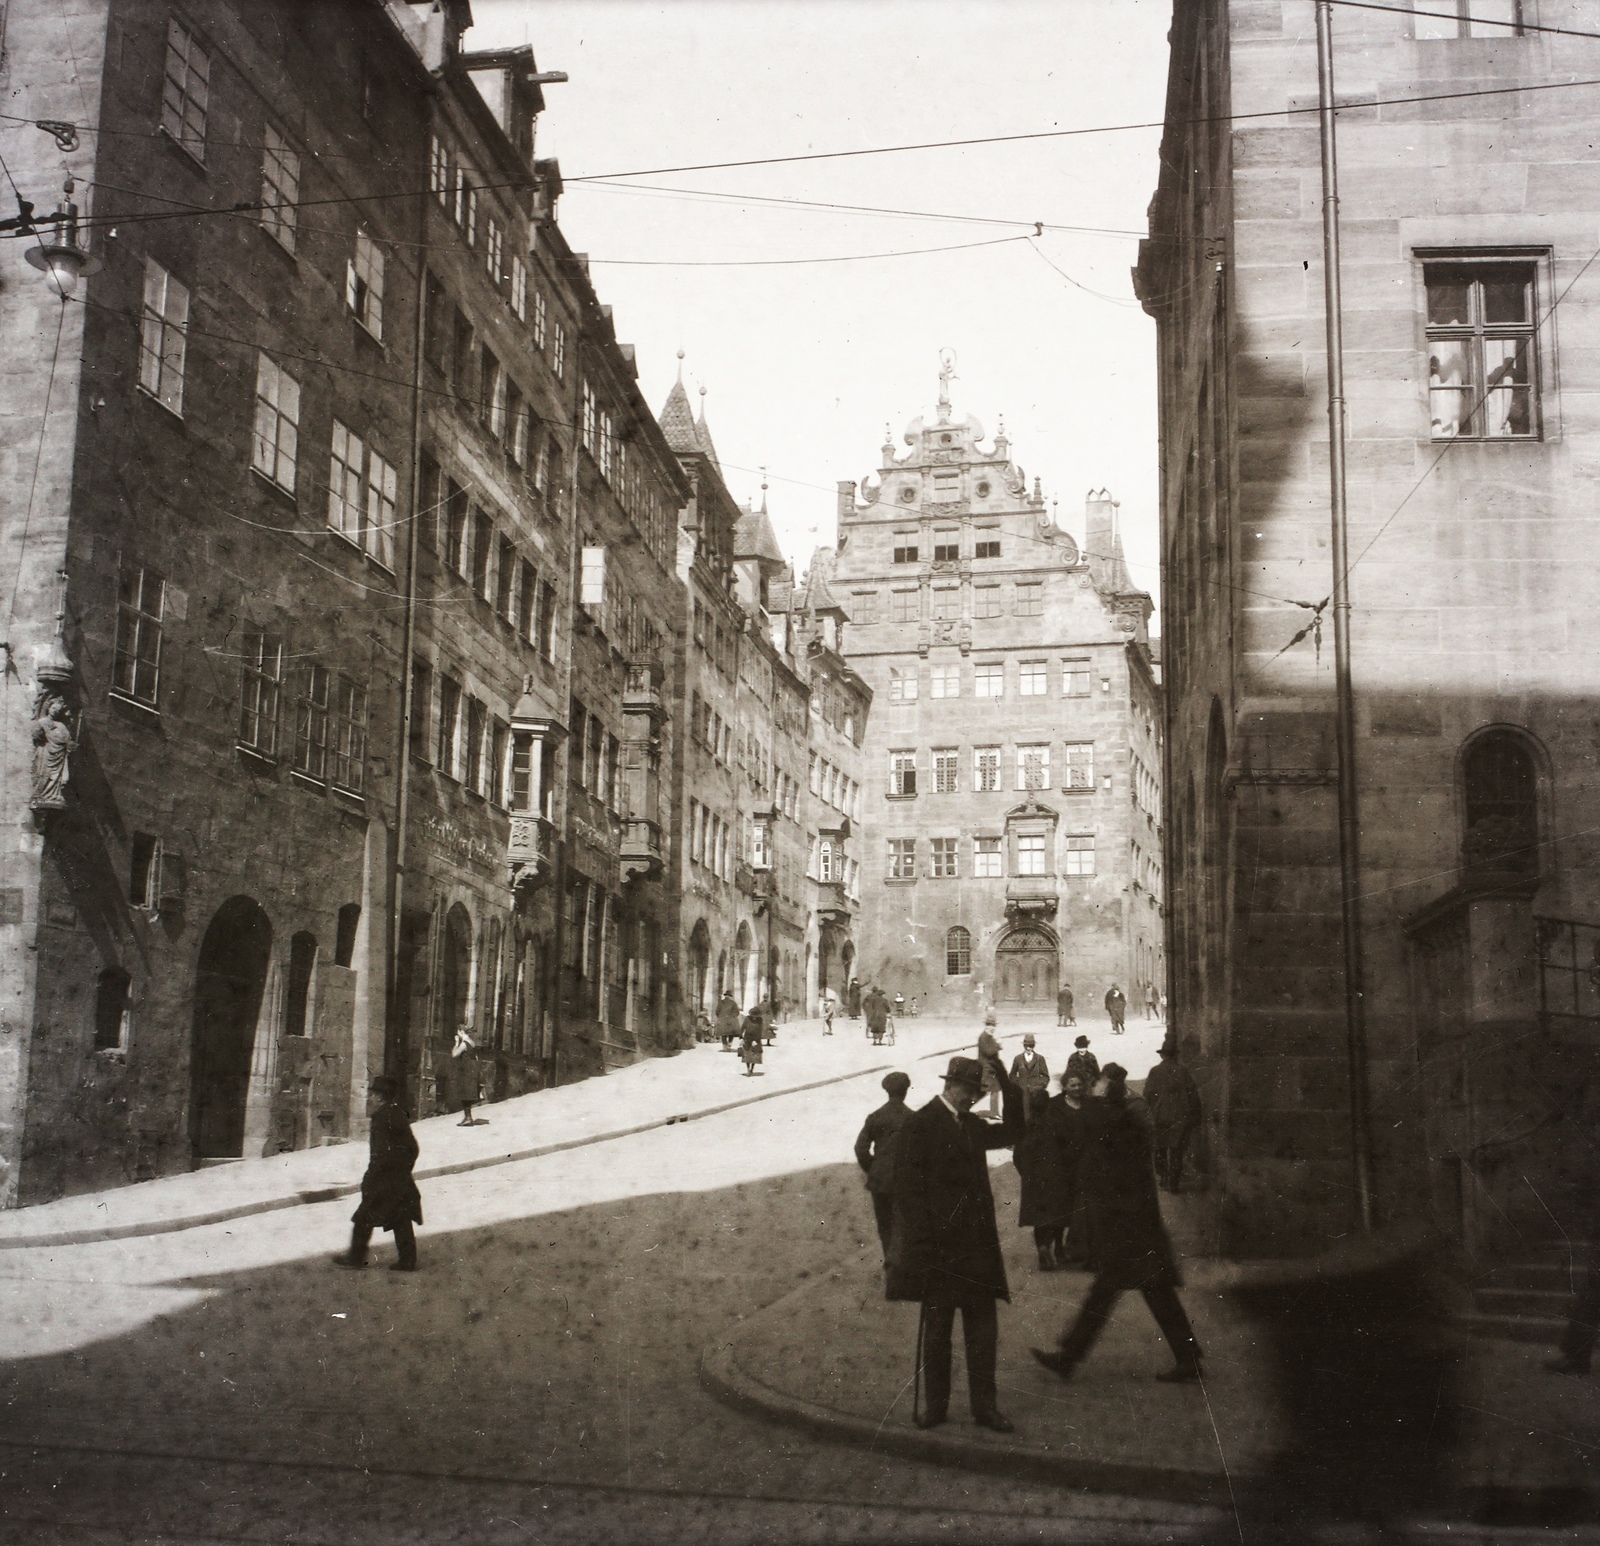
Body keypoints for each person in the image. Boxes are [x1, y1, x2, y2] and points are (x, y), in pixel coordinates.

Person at [1031, 1064, 1203, 1383]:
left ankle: (1069, 1357)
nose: (1094, 1087)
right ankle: (1188, 1357)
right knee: (1152, 1292)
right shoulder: (1121, 1118)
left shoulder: (1109, 1119)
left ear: (1106, 1089)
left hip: (1129, 1227)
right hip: (1137, 1224)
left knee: (1116, 1291)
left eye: (1098, 1083)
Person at [888, 1050, 1021, 1433]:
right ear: (955, 1088)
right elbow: (908, 1193)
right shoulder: (921, 1125)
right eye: (973, 1092)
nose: (977, 1098)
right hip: (940, 1253)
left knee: (982, 1332)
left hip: (977, 1251)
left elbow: (1014, 1131)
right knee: (938, 1335)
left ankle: (985, 1408)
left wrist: (1007, 1084)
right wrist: (923, 1247)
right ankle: (936, 1408)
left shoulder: (971, 1125)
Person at [333, 1076, 421, 1271]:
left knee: (364, 1216)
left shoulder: (382, 1118)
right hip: (398, 1178)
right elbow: (413, 1149)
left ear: (381, 1097)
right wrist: (404, 1170)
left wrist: (372, 1177)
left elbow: (380, 1153)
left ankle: (356, 1257)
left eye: (372, 1095)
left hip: (383, 1179)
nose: (369, 1098)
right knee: (400, 1218)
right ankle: (407, 1260)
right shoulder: (396, 1114)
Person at [854, 1071, 913, 1265]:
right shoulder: (913, 1118)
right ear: (905, 1091)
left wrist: (873, 1168)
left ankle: (890, 1261)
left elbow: (860, 1148)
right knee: (904, 1224)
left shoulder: (875, 1117)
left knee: (885, 1224)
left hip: (880, 1181)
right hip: (905, 1180)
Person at [1014, 1087, 1074, 1271]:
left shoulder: (1025, 1127)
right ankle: (1059, 1248)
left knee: (1039, 1217)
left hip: (1033, 1178)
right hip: (1056, 1176)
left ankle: (1042, 1247)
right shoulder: (1057, 1124)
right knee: (1058, 1214)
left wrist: (1026, 1174)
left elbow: (1017, 1156)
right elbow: (1068, 1150)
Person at [1144, 1036, 1202, 1193]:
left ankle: (1163, 1178)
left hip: (1159, 1116)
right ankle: (1173, 1185)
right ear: (1175, 1055)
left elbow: (1147, 1094)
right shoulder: (1182, 1071)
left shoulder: (1155, 1071)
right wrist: (1196, 1116)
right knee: (1176, 1152)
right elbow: (1192, 1094)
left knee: (1160, 1149)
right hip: (1179, 1117)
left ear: (1162, 1055)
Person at [447, 1025, 483, 1126]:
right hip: (471, 1071)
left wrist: (456, 1043)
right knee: (467, 1094)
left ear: (461, 1031)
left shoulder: (464, 1044)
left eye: (458, 1032)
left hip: (466, 1071)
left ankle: (468, 1118)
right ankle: (468, 1117)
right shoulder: (472, 1043)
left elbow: (454, 1054)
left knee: (464, 1094)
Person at [1010, 1034, 1051, 1113]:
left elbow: (1046, 1077)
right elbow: (1012, 1075)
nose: (1029, 1048)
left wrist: (1039, 1087)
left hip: (1036, 1093)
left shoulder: (1040, 1059)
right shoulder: (1018, 1058)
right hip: (1022, 1093)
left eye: (1031, 1046)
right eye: (1026, 1046)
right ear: (1024, 1046)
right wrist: (1018, 1085)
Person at [977, 1013, 1002, 1118]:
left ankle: (994, 1112)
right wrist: (998, 1045)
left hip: (991, 1068)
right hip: (987, 1068)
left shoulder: (988, 1036)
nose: (992, 1027)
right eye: (990, 1025)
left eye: (993, 1025)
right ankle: (994, 1113)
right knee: (993, 1090)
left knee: (994, 1090)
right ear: (986, 1025)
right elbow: (988, 1052)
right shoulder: (983, 1037)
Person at [739, 1011, 764, 1076]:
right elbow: (742, 1028)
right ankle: (748, 1069)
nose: (754, 1018)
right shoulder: (747, 1019)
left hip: (756, 1039)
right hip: (747, 1038)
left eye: (756, 1016)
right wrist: (741, 1038)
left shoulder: (760, 1020)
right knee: (747, 1055)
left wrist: (756, 1040)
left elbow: (760, 1031)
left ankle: (752, 1069)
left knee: (755, 1055)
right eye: (753, 1016)